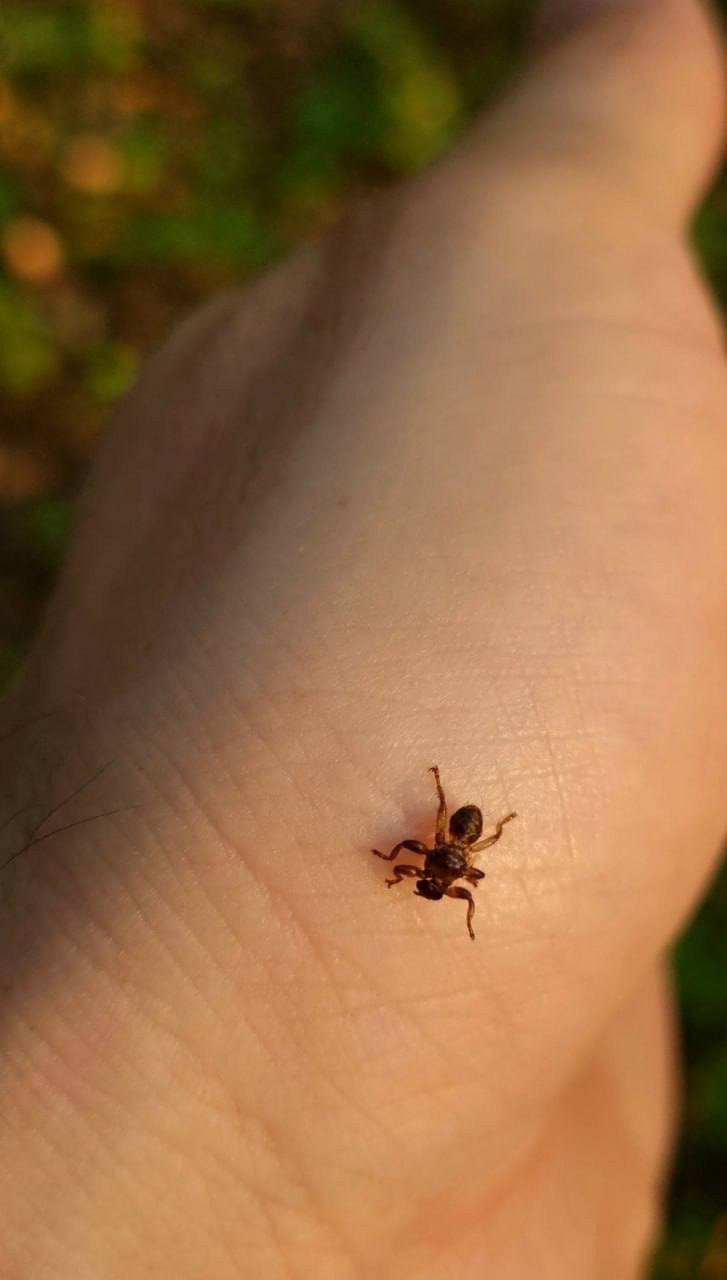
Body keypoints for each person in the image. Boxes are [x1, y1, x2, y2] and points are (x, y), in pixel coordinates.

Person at [1, 0, 725, 1274]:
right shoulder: (439, 848)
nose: (434, 867)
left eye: (436, 866)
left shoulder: (445, 854)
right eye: (440, 866)